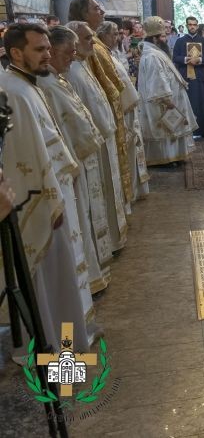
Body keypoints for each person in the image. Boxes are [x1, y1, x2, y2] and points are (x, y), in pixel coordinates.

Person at [1, 23, 99, 351]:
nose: (48, 55)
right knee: (51, 289)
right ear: (16, 53)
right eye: (39, 50)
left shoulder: (28, 84)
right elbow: (25, 158)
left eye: (47, 48)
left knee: (61, 285)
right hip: (41, 206)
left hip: (54, 198)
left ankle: (69, 346)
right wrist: (50, 203)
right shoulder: (13, 91)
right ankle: (59, 358)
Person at [39, 25, 111, 294]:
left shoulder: (58, 78)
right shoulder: (47, 85)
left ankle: (90, 276)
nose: (72, 57)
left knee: (84, 217)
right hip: (69, 161)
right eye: (67, 52)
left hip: (78, 157)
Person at [65, 20, 128, 252]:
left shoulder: (83, 64)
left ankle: (113, 239)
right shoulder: (71, 71)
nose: (92, 42)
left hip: (102, 137)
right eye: (87, 38)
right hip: (91, 143)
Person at [68, 0, 132, 204]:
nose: (102, 12)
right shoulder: (87, 43)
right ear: (83, 14)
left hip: (103, 115)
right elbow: (108, 82)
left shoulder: (94, 42)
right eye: (96, 8)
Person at [96, 21, 150, 201]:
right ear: (102, 34)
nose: (117, 37)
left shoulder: (109, 52)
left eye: (118, 33)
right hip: (122, 108)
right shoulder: (100, 51)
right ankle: (130, 193)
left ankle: (135, 190)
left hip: (128, 105)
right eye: (114, 34)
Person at [138, 16, 198, 163]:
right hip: (163, 100)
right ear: (155, 39)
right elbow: (157, 78)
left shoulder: (155, 53)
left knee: (172, 128)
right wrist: (165, 97)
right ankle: (166, 158)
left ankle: (173, 156)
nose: (166, 39)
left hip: (170, 98)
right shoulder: (152, 56)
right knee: (165, 128)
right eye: (163, 36)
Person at [172, 17, 204, 138]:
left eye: (194, 25)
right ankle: (188, 130)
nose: (192, 27)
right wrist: (187, 59)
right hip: (186, 77)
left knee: (202, 103)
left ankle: (203, 129)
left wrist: (199, 59)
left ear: (197, 26)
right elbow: (175, 58)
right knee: (188, 103)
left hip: (201, 77)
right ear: (186, 26)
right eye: (190, 25)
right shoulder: (180, 41)